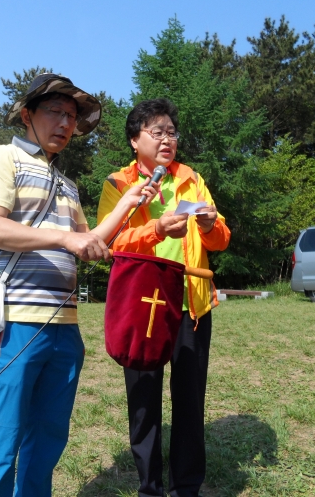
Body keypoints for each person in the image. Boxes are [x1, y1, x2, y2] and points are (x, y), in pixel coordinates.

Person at [0, 74, 157, 497]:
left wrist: (128, 203)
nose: (65, 123)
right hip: (14, 324)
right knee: (3, 438)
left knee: (49, 437)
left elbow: (89, 242)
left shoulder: (68, 184)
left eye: (71, 116)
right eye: (55, 111)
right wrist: (64, 238)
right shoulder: (2, 158)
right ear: (27, 115)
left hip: (65, 327)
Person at [97, 98, 231, 497]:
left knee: (190, 400)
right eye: (157, 132)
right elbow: (110, 243)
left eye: (172, 132)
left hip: (190, 305)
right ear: (134, 140)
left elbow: (221, 240)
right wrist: (156, 229)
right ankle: (149, 487)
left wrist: (209, 225)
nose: (167, 139)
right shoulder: (117, 184)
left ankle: (186, 487)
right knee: (143, 400)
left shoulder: (192, 179)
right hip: (142, 306)